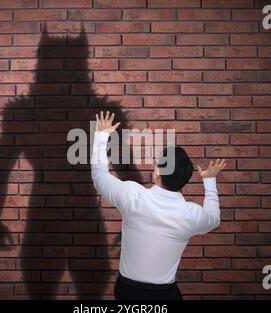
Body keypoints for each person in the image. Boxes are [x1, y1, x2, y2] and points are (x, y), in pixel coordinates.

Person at [91, 111, 227, 300]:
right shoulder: (191, 215)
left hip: (127, 293)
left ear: (156, 173)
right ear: (184, 181)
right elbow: (213, 219)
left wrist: (101, 135)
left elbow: (99, 176)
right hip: (165, 295)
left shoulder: (133, 196)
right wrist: (210, 180)